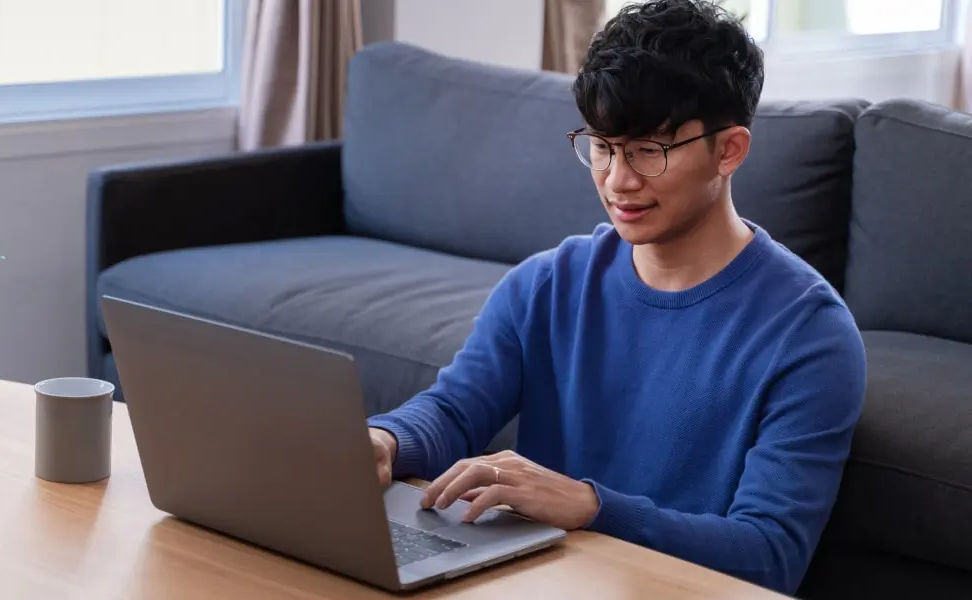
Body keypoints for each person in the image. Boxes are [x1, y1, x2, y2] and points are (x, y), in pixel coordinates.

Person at [364, 0, 867, 595]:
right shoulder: (549, 282)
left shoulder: (809, 334)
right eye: (601, 146)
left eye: (648, 152)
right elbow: (453, 411)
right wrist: (386, 441)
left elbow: (770, 555)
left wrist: (591, 506)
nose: (617, 180)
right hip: (540, 584)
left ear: (729, 150)